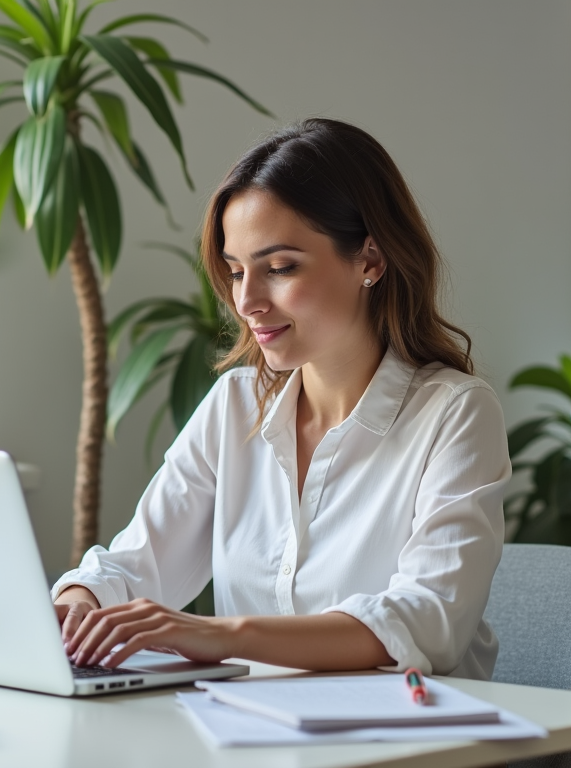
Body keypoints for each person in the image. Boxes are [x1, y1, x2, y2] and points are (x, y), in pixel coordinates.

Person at [51, 118, 511, 679]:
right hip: (253, 736)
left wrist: (219, 634)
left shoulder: (455, 412)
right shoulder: (234, 407)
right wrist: (80, 605)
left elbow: (426, 622)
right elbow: (133, 565)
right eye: (236, 270)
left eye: (280, 268)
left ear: (370, 260)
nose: (246, 300)